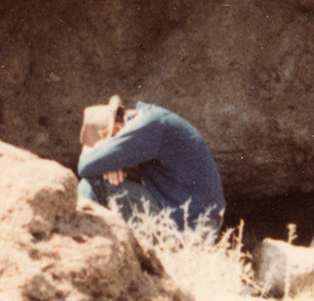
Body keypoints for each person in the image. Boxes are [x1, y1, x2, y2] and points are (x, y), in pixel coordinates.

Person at [77, 95, 225, 235]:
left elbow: (84, 166)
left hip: (193, 228)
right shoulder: (150, 116)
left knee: (94, 183)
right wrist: (107, 163)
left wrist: (102, 161)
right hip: (188, 217)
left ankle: (80, 241)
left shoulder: (148, 126)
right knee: (96, 179)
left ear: (116, 129)